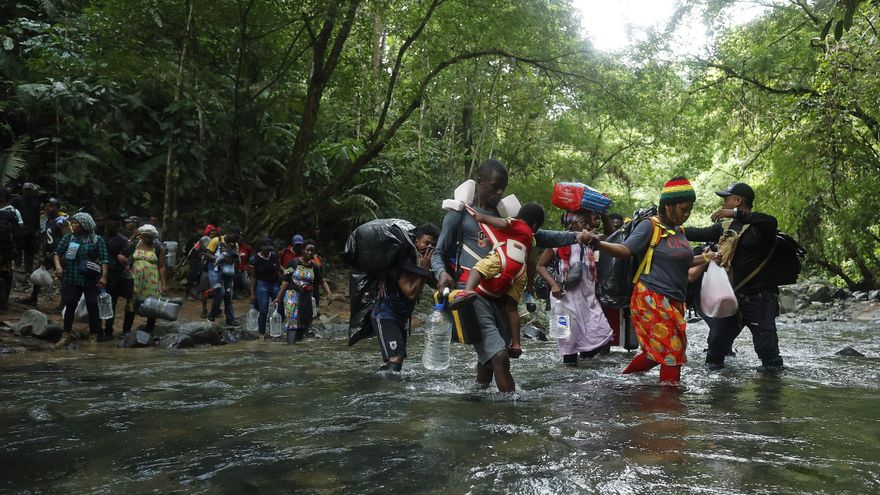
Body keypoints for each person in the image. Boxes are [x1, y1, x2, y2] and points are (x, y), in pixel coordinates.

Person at [431, 159, 594, 392]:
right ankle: (510, 415)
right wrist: (441, 273)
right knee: (499, 356)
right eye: (495, 186)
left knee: (487, 362)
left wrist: (576, 237)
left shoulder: (506, 216)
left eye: (503, 188)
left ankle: (476, 399)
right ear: (479, 182)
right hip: (473, 294)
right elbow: (438, 253)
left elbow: (540, 236)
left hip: (504, 296)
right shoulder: (459, 215)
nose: (499, 193)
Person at [586, 177, 709, 385]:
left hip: (675, 300)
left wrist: (707, 258)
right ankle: (669, 407)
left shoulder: (680, 232)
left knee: (656, 353)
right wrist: (598, 243)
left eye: (690, 209)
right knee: (672, 353)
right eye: (683, 209)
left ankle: (621, 382)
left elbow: (682, 261)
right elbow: (626, 250)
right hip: (651, 298)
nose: (686, 214)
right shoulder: (649, 226)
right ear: (668, 206)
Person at [684, 182, 784, 372]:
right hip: (732, 299)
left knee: (768, 354)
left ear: (737, 201)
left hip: (760, 300)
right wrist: (669, 226)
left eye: (726, 199)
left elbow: (770, 221)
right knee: (715, 349)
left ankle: (772, 395)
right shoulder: (726, 227)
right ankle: (719, 394)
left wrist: (737, 214)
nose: (723, 203)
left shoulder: (762, 227)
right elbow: (697, 232)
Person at [454, 202, 546, 359]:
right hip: (520, 272)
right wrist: (530, 285)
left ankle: (468, 290)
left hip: (503, 259)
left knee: (478, 268)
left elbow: (503, 224)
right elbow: (531, 263)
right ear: (535, 225)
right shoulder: (531, 238)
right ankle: (516, 344)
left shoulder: (517, 224)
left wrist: (482, 217)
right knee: (511, 308)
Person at [536, 210, 614, 366]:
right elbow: (540, 266)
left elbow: (610, 236)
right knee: (568, 343)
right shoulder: (558, 242)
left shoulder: (591, 241)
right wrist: (553, 284)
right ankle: (570, 377)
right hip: (563, 299)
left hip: (587, 299)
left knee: (601, 336)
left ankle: (586, 372)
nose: (587, 226)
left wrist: (604, 215)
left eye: (587, 223)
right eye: (582, 223)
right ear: (572, 225)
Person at [373, 223, 438, 371]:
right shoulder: (402, 261)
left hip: (401, 318)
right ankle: (388, 392)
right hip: (385, 314)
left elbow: (436, 283)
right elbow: (411, 293)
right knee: (396, 357)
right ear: (416, 241)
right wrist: (424, 269)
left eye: (433, 245)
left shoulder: (420, 262)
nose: (429, 248)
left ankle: (383, 388)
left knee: (395, 359)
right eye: (426, 243)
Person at [52, 212, 110, 347]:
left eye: (76, 223)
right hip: (71, 277)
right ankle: (66, 334)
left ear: (84, 225)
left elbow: (104, 259)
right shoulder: (68, 238)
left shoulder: (97, 240)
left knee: (92, 305)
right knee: (70, 304)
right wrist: (58, 266)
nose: (73, 224)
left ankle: (93, 336)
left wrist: (104, 276)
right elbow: (57, 253)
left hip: (91, 279)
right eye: (73, 222)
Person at [275, 239, 332, 344]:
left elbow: (322, 281)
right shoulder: (293, 262)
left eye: (312, 251)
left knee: (303, 322)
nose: (310, 252)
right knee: (293, 321)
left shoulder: (314, 266)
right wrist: (279, 297)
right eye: (308, 250)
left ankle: (298, 347)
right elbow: (285, 280)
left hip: (306, 297)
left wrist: (329, 293)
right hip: (292, 296)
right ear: (302, 250)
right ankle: (291, 346)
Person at [17, 197, 64, 307]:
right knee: (37, 272)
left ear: (57, 208)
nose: (48, 208)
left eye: (51, 206)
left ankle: (64, 304)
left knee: (63, 278)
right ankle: (33, 298)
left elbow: (66, 239)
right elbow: (45, 239)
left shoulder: (61, 221)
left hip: (59, 254)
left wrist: (58, 253)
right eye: (47, 205)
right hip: (49, 254)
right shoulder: (47, 221)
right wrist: (43, 254)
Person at [121, 224, 167, 334]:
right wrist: (127, 266)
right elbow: (123, 254)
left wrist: (164, 284)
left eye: (149, 237)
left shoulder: (159, 248)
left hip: (152, 281)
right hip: (135, 279)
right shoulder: (135, 245)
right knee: (131, 304)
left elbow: (162, 267)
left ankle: (149, 331)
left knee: (152, 305)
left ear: (153, 237)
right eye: (144, 236)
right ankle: (126, 332)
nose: (147, 239)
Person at [101, 214, 131, 340]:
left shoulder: (123, 240)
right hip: (100, 273)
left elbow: (126, 257)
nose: (109, 227)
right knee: (100, 302)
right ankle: (98, 329)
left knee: (111, 302)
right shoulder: (100, 238)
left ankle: (108, 330)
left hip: (115, 275)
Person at [248, 238, 283, 341]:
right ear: (261, 248)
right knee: (263, 310)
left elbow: (279, 268)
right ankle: (262, 334)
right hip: (262, 285)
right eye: (266, 249)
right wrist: (252, 293)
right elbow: (253, 277)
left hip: (275, 284)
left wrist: (290, 271)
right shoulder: (254, 259)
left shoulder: (274, 256)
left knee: (280, 306)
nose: (268, 251)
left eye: (269, 249)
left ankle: (277, 330)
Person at [205, 230, 240, 326]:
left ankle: (230, 319)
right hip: (215, 271)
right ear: (229, 234)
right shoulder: (216, 240)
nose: (233, 242)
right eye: (232, 239)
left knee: (228, 295)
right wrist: (220, 259)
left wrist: (233, 260)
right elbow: (207, 254)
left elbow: (237, 258)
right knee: (220, 292)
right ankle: (212, 315)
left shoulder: (235, 244)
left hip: (228, 272)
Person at [11, 182, 41, 282]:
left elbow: (37, 218)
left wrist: (37, 231)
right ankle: (17, 272)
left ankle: (29, 272)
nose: (28, 192)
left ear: (32, 192)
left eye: (29, 190)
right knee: (18, 251)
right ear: (23, 190)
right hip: (19, 231)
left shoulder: (36, 203)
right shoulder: (16, 201)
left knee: (30, 253)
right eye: (26, 190)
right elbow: (12, 214)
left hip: (31, 232)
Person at [0, 188, 22, 310]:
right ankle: (4, 302)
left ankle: (3, 302)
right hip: (7, 250)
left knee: (5, 274)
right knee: (6, 274)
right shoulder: (13, 212)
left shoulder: (11, 211)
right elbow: (18, 231)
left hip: (6, 250)